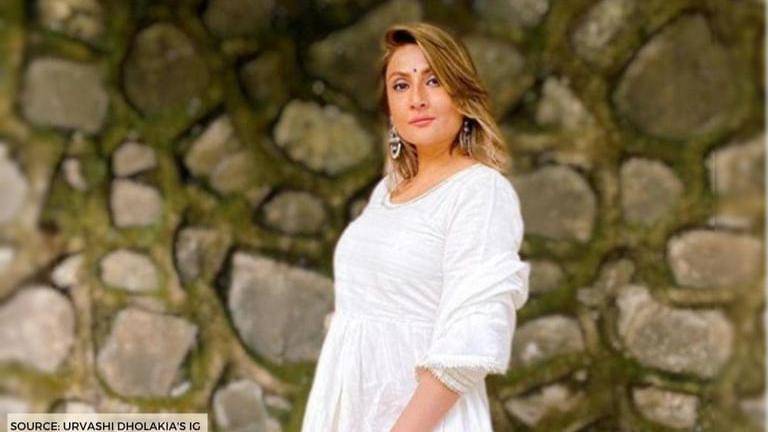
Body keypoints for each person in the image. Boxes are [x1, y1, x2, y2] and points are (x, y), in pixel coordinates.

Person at [300, 21, 530, 432]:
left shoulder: (481, 191)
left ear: (462, 94)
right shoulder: (389, 190)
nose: (417, 99)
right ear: (389, 106)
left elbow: (471, 336)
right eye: (401, 85)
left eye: (434, 80)